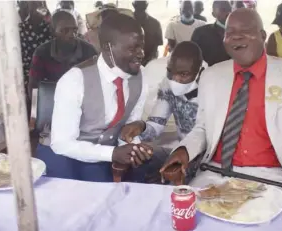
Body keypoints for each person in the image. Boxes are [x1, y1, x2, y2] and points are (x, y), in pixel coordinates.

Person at [160, 8, 282, 194]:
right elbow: (202, 128)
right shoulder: (211, 76)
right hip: (215, 174)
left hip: (273, 178)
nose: (237, 37)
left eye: (245, 31)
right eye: (230, 33)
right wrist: (183, 151)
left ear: (262, 36)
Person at [35, 12, 153, 182]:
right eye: (132, 48)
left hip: (102, 152)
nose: (141, 53)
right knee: (74, 201)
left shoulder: (140, 76)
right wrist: (112, 153)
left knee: (129, 186)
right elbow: (62, 143)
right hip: (63, 154)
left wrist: (132, 147)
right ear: (107, 47)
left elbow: (129, 127)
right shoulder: (74, 80)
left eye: (141, 46)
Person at [120, 41, 204, 181]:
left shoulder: (210, 87)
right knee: (136, 157)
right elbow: (156, 124)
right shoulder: (168, 83)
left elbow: (208, 137)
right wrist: (141, 127)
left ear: (199, 72)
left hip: (204, 158)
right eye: (170, 72)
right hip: (178, 149)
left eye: (183, 74)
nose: (175, 79)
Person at [28, 11, 97, 98]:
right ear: (53, 31)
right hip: (51, 104)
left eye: (75, 30)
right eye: (65, 30)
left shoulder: (89, 52)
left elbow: (97, 86)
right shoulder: (42, 53)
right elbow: (33, 88)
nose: (72, 35)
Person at [19, 1, 52, 119]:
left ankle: (42, 125)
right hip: (29, 75)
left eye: (40, 4)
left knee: (47, 105)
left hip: (48, 74)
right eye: (34, 4)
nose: (37, 7)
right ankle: (33, 125)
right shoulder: (22, 29)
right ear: (29, 6)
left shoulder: (49, 28)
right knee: (33, 105)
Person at [191, 1, 232, 66]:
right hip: (210, 73)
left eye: (229, 9)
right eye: (223, 10)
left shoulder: (241, 33)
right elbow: (193, 59)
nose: (228, 12)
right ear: (213, 14)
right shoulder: (200, 34)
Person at [132, 0, 163, 66]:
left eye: (142, 4)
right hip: (130, 62)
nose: (140, 6)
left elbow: (156, 46)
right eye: (139, 4)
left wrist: (149, 61)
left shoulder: (155, 23)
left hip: (149, 62)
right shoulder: (127, 22)